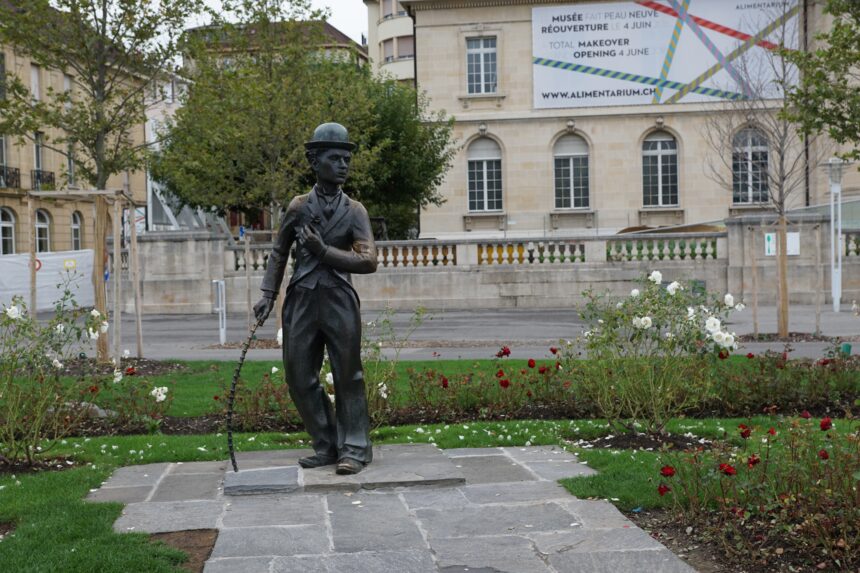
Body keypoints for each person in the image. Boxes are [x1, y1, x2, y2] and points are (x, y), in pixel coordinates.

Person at [253, 123, 378, 475]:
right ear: (314, 161)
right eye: (335, 158)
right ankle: (326, 443)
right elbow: (279, 252)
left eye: (346, 159)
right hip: (302, 301)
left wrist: (323, 251)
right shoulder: (298, 207)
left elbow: (368, 260)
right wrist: (267, 294)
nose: (343, 165)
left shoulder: (355, 210)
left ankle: (354, 449)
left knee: (348, 376)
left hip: (339, 299)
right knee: (298, 376)